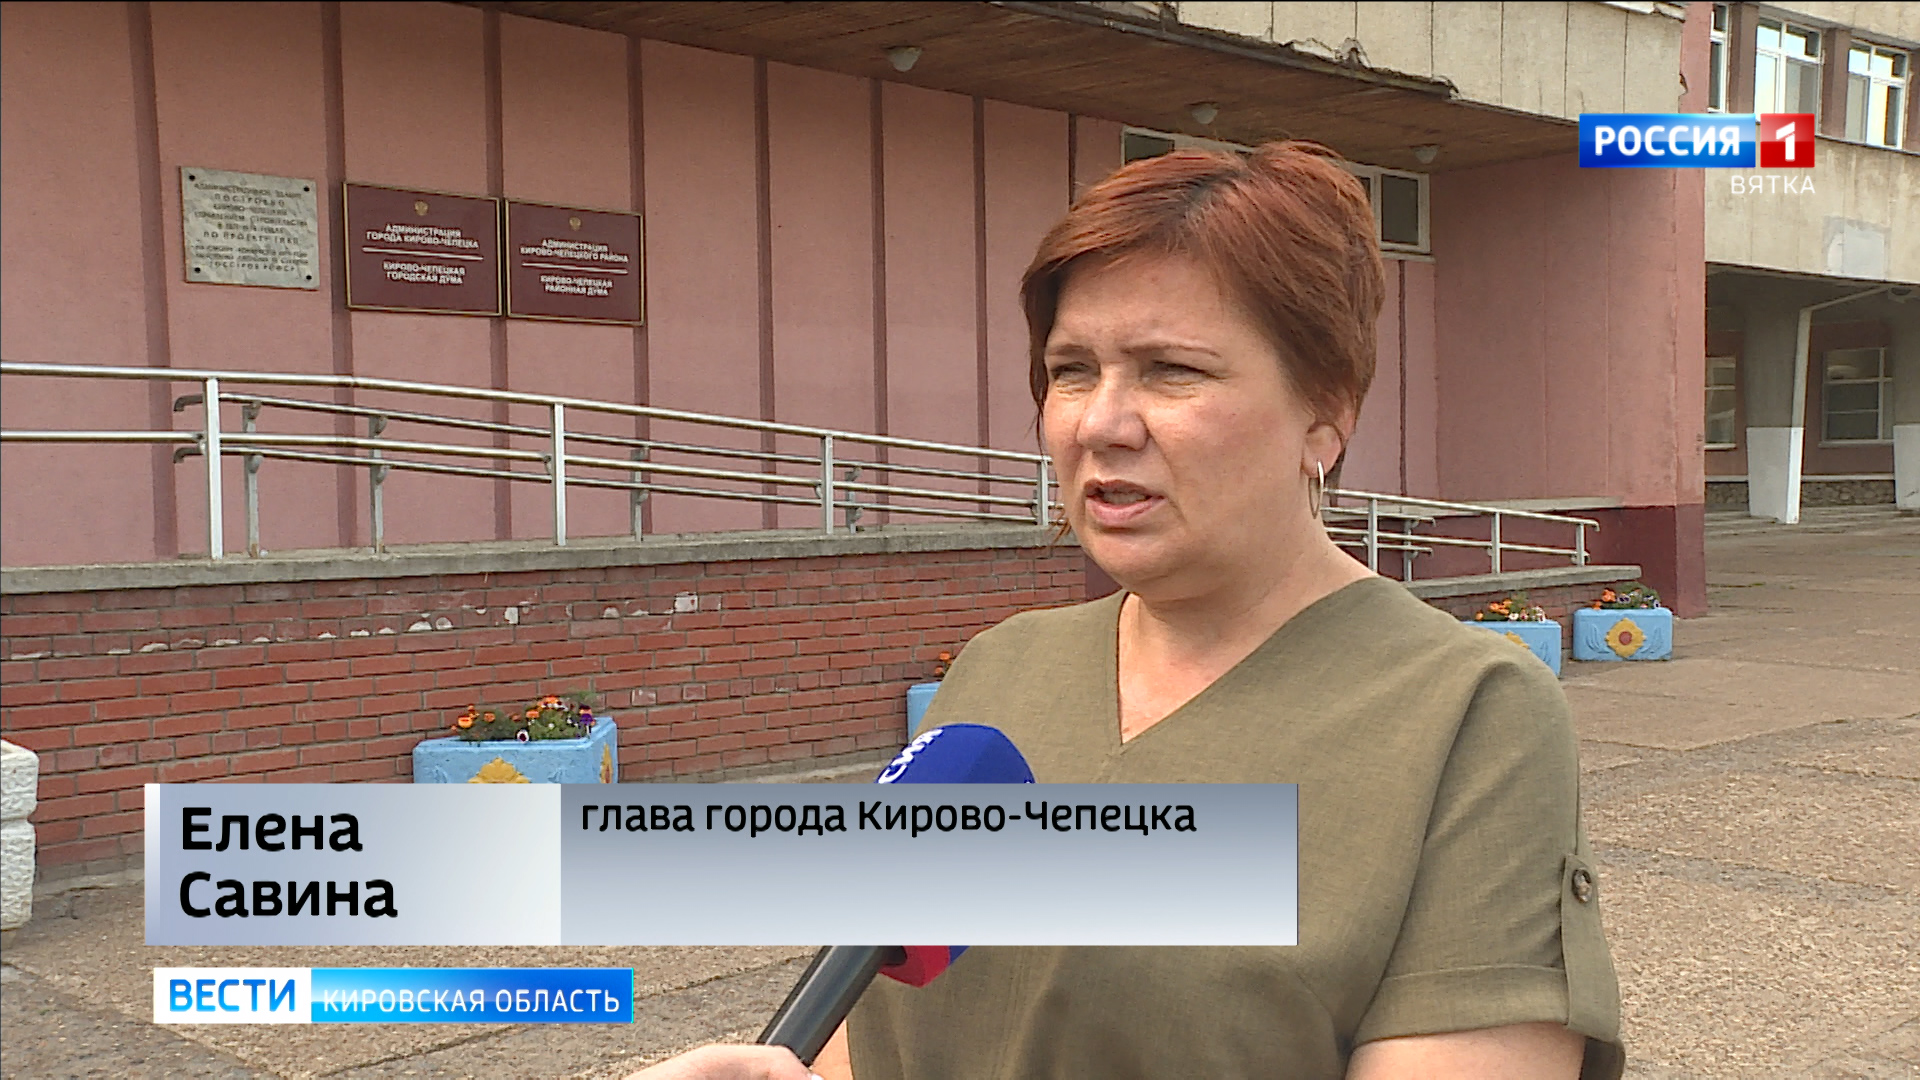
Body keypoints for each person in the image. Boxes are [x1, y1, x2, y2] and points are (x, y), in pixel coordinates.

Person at [635, 140, 1624, 1080]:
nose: (1100, 423)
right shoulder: (1000, 671)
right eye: (1073, 370)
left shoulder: (1469, 715)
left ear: (1325, 413)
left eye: (1171, 370)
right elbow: (874, 1038)